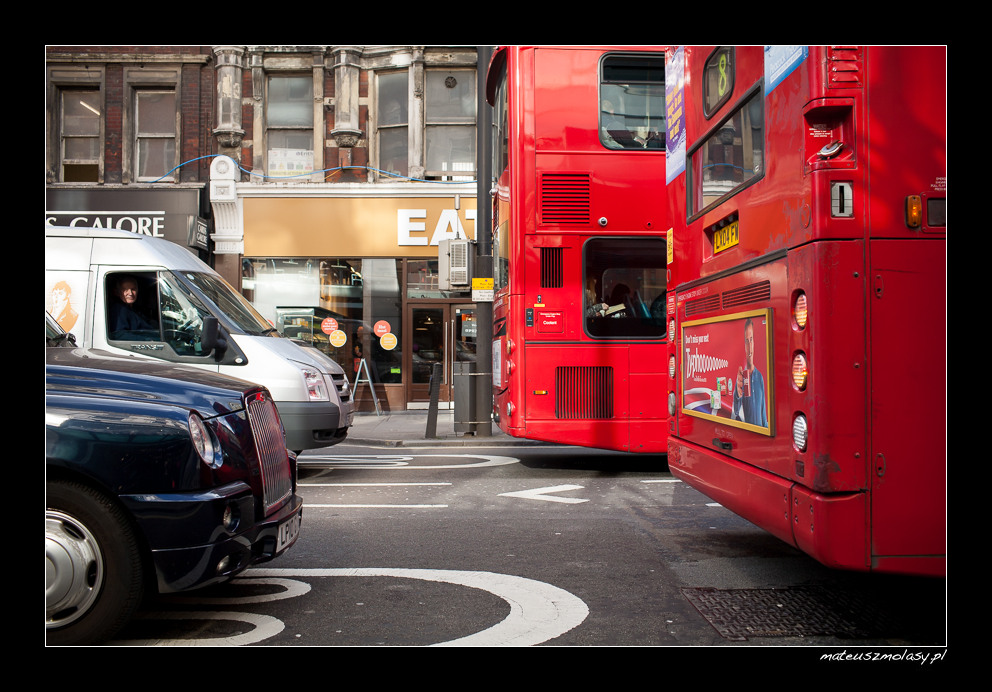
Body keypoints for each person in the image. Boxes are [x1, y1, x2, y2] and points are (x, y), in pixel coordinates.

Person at [732, 317, 767, 426]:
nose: (750, 345)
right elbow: (735, 411)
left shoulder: (760, 377)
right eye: (747, 341)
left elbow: (763, 413)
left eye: (751, 339)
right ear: (744, 345)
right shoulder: (741, 378)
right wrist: (738, 394)